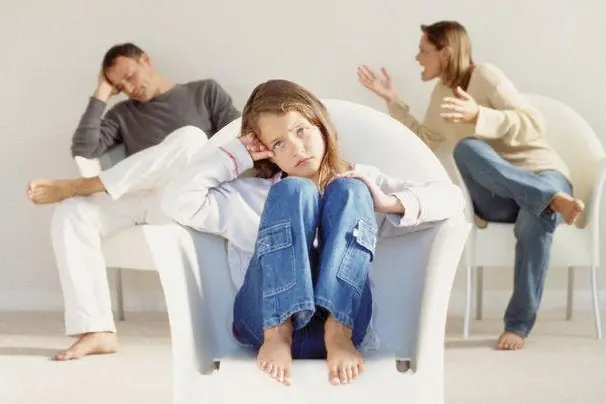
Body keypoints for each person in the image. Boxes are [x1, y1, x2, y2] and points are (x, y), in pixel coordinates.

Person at [157, 79, 465, 385]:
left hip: (343, 326)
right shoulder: (248, 196)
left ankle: (337, 329)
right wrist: (236, 154)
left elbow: (452, 199)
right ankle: (279, 330)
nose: (297, 149)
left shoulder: (361, 188)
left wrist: (387, 203)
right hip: (262, 323)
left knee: (350, 187)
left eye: (301, 130)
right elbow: (176, 200)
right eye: (278, 144)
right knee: (294, 190)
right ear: (267, 153)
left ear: (321, 126)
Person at [357, 20, 584, 351]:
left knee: (536, 216)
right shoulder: (441, 95)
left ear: (445, 53)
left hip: (543, 172)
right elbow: (427, 138)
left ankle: (517, 326)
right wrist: (392, 100)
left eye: (423, 50)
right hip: (501, 197)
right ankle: (548, 199)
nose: (417, 57)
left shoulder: (485, 76)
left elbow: (534, 122)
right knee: (467, 148)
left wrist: (479, 114)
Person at [27, 42, 240, 361]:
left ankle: (80, 186)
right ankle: (97, 330)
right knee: (71, 212)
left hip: (186, 198)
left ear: (146, 60)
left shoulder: (204, 92)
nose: (129, 88)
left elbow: (237, 139)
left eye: (129, 76)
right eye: (119, 85)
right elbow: (84, 149)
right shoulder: (123, 113)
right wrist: (102, 91)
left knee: (191, 137)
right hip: (138, 195)